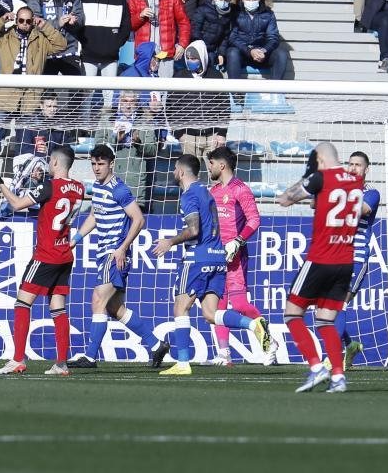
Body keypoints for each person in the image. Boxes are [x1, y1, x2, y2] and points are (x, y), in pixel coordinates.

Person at [153, 154, 271, 375]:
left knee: (180, 307)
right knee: (210, 313)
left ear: (181, 171)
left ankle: (182, 363)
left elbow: (194, 230)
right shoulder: (208, 193)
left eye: (174, 168)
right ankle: (253, 325)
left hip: (198, 257)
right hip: (219, 258)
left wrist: (170, 241)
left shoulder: (189, 195)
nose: (173, 172)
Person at [67, 144, 170, 369]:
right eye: (93, 164)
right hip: (104, 252)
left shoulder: (119, 189)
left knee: (98, 299)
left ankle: (90, 356)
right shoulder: (98, 186)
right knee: (114, 308)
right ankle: (155, 345)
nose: (96, 168)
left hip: (114, 254)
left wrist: (122, 247)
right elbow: (95, 214)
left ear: (111, 164)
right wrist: (76, 238)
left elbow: (139, 219)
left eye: (101, 164)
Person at [276, 142, 364, 393]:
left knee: (292, 314)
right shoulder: (356, 181)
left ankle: (316, 367)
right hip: (346, 261)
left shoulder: (321, 176)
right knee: (326, 321)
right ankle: (338, 377)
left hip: (320, 258)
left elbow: (291, 196)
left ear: (321, 159)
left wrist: (284, 197)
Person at [0, 145, 85, 376]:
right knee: (58, 307)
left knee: (22, 303)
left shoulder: (50, 186)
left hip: (46, 254)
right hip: (65, 253)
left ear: (55, 163)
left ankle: (17, 360)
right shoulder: (80, 188)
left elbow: (16, 204)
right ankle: (61, 363)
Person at [202, 146, 276, 365]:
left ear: (222, 165)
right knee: (218, 307)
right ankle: (224, 354)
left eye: (212, 163)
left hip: (235, 257)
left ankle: (269, 341)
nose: (210, 167)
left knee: (241, 305)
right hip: (216, 256)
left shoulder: (240, 189)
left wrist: (238, 241)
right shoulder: (212, 191)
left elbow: (254, 219)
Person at [0, 7, 68, 160]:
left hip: (31, 96)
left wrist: (45, 26)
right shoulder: (5, 37)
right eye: (21, 20)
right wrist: (1, 20)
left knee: (26, 138)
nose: (25, 24)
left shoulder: (41, 39)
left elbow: (61, 45)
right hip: (7, 93)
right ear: (16, 20)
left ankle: (24, 169)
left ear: (33, 21)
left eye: (28, 21)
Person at [331, 151, 380, 369]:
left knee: (338, 304)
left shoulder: (371, 193)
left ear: (366, 169)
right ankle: (350, 346)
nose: (353, 168)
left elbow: (360, 211)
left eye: (358, 165)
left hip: (356, 258)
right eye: (350, 164)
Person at [79, 0, 131, 113]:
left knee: (109, 100)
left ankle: (106, 130)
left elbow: (126, 24)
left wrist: (117, 43)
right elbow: (78, 22)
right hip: (88, 56)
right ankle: (84, 129)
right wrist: (84, 42)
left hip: (111, 57)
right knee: (86, 98)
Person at [128, 0, 190, 78]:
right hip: (144, 52)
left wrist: (182, 44)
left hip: (165, 52)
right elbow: (129, 25)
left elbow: (183, 22)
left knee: (163, 90)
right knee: (144, 91)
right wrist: (140, 16)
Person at [28, 0, 84, 84]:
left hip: (69, 49)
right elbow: (34, 22)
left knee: (77, 90)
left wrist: (74, 21)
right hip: (46, 49)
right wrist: (57, 23)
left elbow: (80, 18)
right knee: (46, 92)